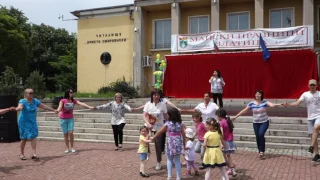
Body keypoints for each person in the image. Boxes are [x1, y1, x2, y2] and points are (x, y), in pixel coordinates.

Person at [231, 90, 282, 158]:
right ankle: (260, 151)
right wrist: (236, 116)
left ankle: (262, 150)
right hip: (256, 123)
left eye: (259, 94)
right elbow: (244, 111)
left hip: (264, 121)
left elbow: (272, 105)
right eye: (256, 94)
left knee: (261, 134)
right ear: (255, 95)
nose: (257, 95)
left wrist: (279, 104)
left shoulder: (265, 102)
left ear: (261, 95)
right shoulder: (251, 104)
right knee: (257, 136)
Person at [15, 88, 58, 160]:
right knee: (24, 138)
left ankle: (34, 153)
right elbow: (20, 106)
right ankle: (21, 154)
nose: (32, 94)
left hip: (32, 121)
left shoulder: (35, 101)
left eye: (32, 93)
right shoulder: (22, 101)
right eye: (30, 93)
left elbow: (44, 106)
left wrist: (53, 110)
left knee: (33, 136)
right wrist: (18, 108)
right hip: (23, 121)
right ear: (25, 94)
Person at [284, 79, 320, 162]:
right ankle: (317, 154)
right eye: (311, 85)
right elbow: (297, 103)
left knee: (316, 127)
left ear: (316, 85)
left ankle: (311, 147)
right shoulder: (305, 94)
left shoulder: (319, 94)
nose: (312, 86)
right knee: (313, 136)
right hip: (310, 117)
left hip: (319, 116)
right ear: (308, 86)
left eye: (314, 85)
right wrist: (289, 104)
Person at [151, 107, 185, 180]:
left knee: (169, 159)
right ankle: (178, 177)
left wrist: (153, 137)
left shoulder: (167, 123)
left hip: (170, 142)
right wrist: (185, 144)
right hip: (178, 142)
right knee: (177, 160)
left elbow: (160, 131)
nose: (167, 115)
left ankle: (169, 176)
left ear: (171, 115)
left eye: (168, 114)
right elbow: (184, 135)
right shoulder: (180, 124)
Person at [57, 89, 94, 153]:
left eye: (72, 92)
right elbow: (60, 108)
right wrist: (57, 111)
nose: (72, 93)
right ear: (68, 93)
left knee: (70, 132)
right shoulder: (63, 100)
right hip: (63, 119)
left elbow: (81, 103)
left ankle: (72, 147)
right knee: (65, 134)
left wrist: (89, 107)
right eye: (71, 92)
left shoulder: (73, 101)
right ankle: (67, 148)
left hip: (70, 119)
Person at [143, 89, 168, 170]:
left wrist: (168, 125)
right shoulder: (148, 104)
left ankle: (158, 162)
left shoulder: (163, 104)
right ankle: (147, 152)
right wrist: (148, 123)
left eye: (157, 95)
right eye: (154, 95)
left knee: (158, 145)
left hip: (159, 128)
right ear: (152, 96)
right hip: (149, 127)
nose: (156, 96)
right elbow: (144, 115)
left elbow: (166, 116)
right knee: (144, 141)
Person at [217, 108, 237, 177]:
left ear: (219, 115)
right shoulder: (228, 120)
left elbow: (221, 133)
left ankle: (229, 168)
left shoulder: (221, 122)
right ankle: (232, 170)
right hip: (231, 141)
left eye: (217, 115)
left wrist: (221, 143)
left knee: (223, 156)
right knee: (228, 156)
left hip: (225, 142)